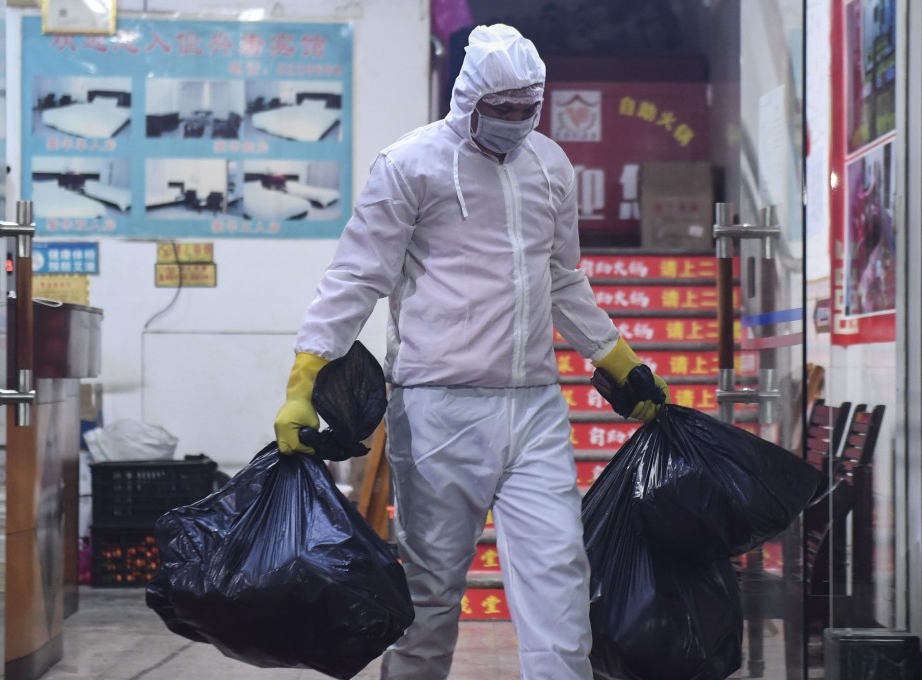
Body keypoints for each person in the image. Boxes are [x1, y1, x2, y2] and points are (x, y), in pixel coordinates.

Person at [274, 23, 669, 680]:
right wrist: (304, 378)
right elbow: (357, 276)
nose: (516, 122)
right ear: (469, 101)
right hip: (436, 409)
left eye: (527, 110)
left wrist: (615, 358)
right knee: (428, 599)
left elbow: (562, 277)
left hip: (534, 407)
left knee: (560, 587)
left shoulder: (549, 166)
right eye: (502, 110)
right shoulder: (410, 165)